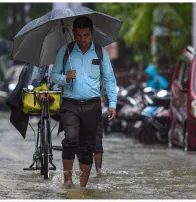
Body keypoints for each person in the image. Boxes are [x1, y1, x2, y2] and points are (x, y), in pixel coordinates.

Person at [50, 16, 117, 188]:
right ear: (73, 34)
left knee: (88, 145)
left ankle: (82, 188)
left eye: (85, 35)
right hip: (70, 104)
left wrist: (112, 104)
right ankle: (67, 181)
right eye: (79, 36)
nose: (82, 40)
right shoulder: (66, 51)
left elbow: (109, 80)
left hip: (92, 104)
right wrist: (66, 78)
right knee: (71, 139)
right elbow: (54, 75)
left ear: (91, 34)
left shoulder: (101, 53)